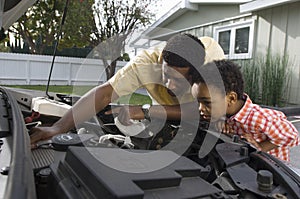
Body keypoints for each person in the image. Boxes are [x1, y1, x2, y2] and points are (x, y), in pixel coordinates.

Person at [30, 33, 225, 147]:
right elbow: (105, 93)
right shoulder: (146, 62)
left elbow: (206, 109)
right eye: (166, 75)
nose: (169, 85)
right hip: (165, 113)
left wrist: (146, 110)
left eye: (178, 80)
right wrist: (57, 127)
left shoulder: (212, 63)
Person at [191, 59, 299, 161]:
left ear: (232, 98)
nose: (200, 108)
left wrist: (258, 148)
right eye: (198, 102)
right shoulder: (222, 113)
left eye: (207, 103)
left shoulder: (260, 118)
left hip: (272, 171)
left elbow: (291, 136)